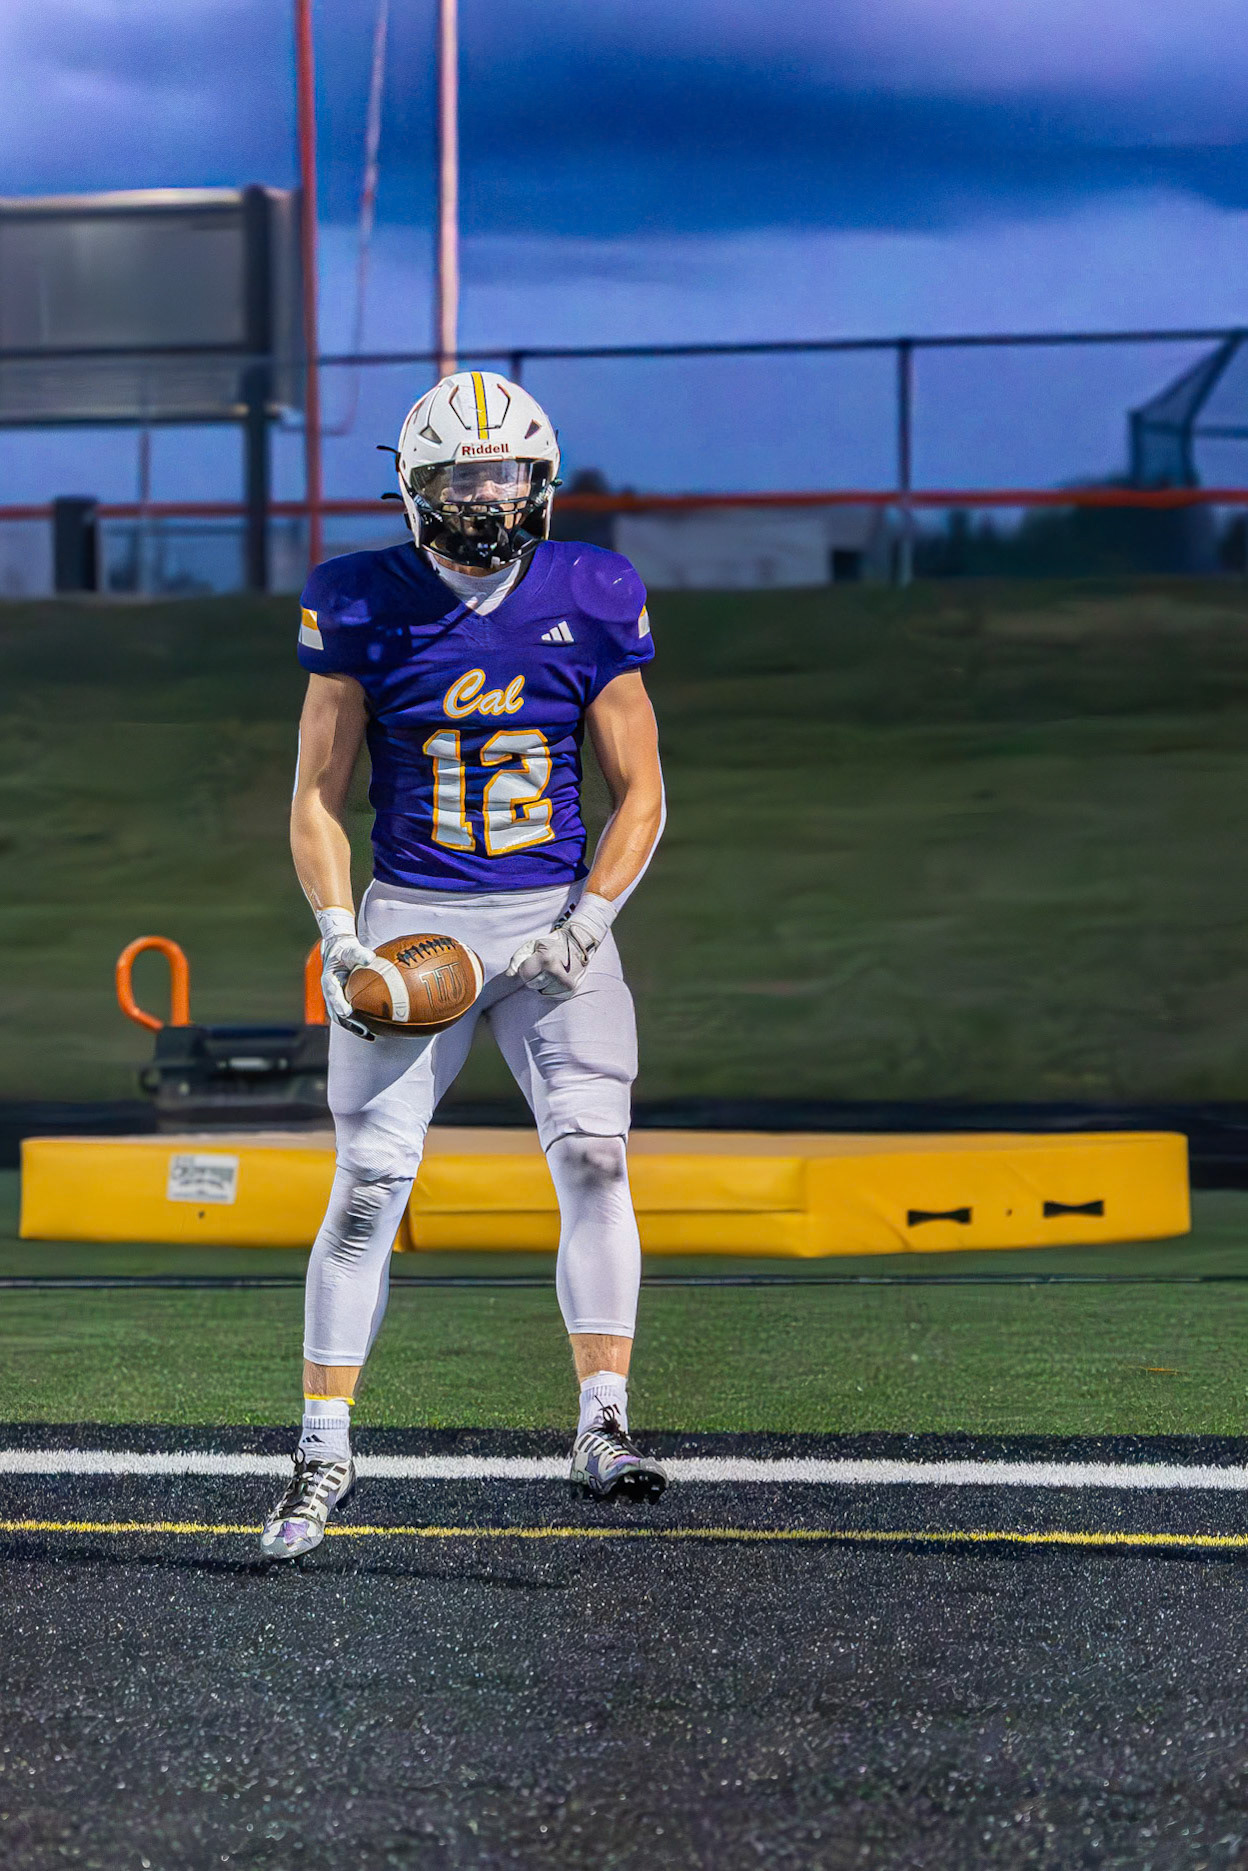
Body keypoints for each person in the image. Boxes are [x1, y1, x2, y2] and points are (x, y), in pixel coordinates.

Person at [260, 370, 667, 1560]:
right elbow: (316, 797)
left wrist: (589, 918)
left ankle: (603, 1421)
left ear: (538, 480)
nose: (487, 496)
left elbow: (642, 791)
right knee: (372, 1184)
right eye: (464, 474)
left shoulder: (594, 590)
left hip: (553, 919)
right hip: (414, 923)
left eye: (506, 473)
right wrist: (340, 932)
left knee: (595, 1152)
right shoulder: (357, 597)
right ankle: (322, 1445)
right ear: (415, 484)